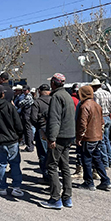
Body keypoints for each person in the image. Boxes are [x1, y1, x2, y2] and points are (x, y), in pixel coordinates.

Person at [40, 73, 75, 210]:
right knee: (65, 166)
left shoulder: (56, 96)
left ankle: (55, 198)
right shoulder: (67, 96)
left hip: (59, 136)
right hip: (68, 135)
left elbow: (54, 119)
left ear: (54, 83)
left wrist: (51, 138)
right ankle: (67, 197)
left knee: (52, 166)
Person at [0, 85, 24, 197]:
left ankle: (2, 187)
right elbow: (17, 123)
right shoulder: (9, 106)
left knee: (1, 164)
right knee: (15, 164)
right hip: (12, 139)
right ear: (3, 94)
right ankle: (16, 187)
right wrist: (20, 135)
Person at [76, 85, 111, 192]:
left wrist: (79, 137)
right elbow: (102, 121)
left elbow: (82, 124)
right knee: (97, 159)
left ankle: (89, 182)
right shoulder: (97, 105)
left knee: (86, 160)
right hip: (97, 137)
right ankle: (105, 180)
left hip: (88, 138)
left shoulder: (84, 107)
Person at [90, 79, 111, 169]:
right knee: (107, 140)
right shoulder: (108, 93)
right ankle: (110, 160)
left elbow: (96, 107)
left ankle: (105, 162)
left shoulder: (95, 94)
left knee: (102, 141)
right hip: (107, 116)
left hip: (100, 118)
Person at [30, 84, 51, 182]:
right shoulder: (54, 101)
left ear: (39, 91)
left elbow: (33, 118)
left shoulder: (37, 102)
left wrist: (39, 124)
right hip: (54, 129)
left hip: (41, 130)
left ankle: (46, 176)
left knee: (43, 153)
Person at [19, 85, 34, 152]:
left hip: (27, 115)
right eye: (23, 90)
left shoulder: (29, 96)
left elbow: (20, 103)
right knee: (26, 130)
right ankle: (28, 145)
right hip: (25, 114)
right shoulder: (25, 96)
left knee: (28, 130)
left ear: (28, 90)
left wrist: (20, 104)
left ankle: (30, 146)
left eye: (25, 90)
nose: (24, 91)